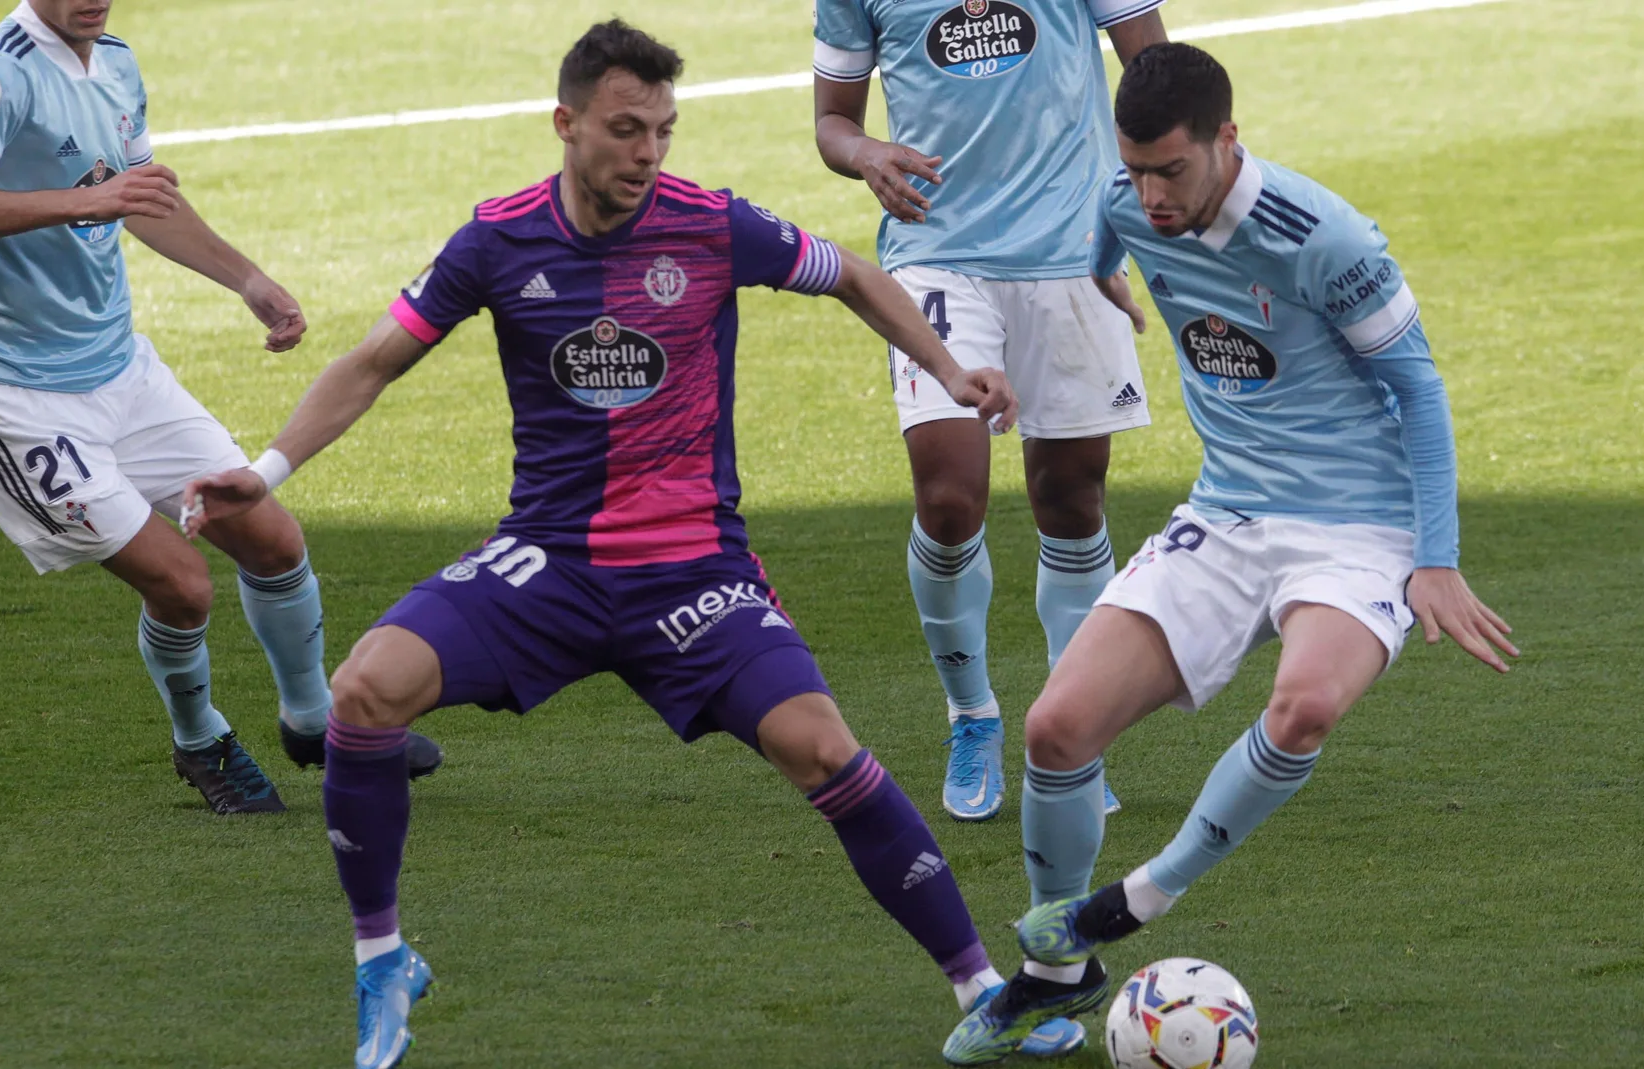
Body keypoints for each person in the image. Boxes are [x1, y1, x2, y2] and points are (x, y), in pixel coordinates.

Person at [181, 21, 1082, 1068]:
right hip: (549, 562)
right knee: (363, 693)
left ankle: (980, 987)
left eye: (662, 129)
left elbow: (855, 277)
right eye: (624, 130)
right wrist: (268, 470)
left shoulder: (712, 224)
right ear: (565, 125)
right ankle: (381, 956)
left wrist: (953, 369)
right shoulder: (496, 238)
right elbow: (375, 362)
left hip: (694, 569)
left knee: (822, 746)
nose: (647, 152)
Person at [941, 42, 1519, 1064]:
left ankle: (1137, 897)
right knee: (1056, 727)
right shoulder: (1123, 205)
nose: (1151, 194)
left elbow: (1418, 388)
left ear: (1226, 141)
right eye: (1134, 170)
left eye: (1170, 169)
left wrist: (1433, 556)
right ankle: (1051, 972)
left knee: (1303, 705)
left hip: (1358, 526)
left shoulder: (1323, 238)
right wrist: (1112, 278)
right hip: (1231, 509)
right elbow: (1103, 244)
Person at [0, 0, 440, 815]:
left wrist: (248, 279)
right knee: (184, 585)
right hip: (17, 398)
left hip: (122, 371)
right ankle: (200, 740)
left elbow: (143, 197)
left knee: (270, 535)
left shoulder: (115, 60)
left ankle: (315, 722)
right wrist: (85, 200)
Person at [812, 0, 1170, 822]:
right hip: (936, 255)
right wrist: (866, 152)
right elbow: (833, 121)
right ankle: (971, 714)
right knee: (947, 496)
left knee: (1072, 496)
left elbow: (1155, 80)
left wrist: (1124, 224)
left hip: (1069, 252)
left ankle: (1072, 728)